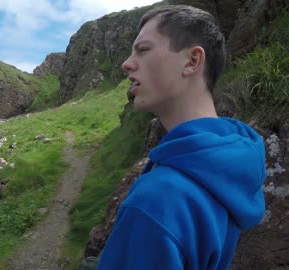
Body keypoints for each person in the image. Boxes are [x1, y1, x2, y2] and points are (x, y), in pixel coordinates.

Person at [97, 5, 267, 270]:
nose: (127, 64)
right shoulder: (237, 163)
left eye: (143, 50)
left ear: (192, 61)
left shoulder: (156, 201)